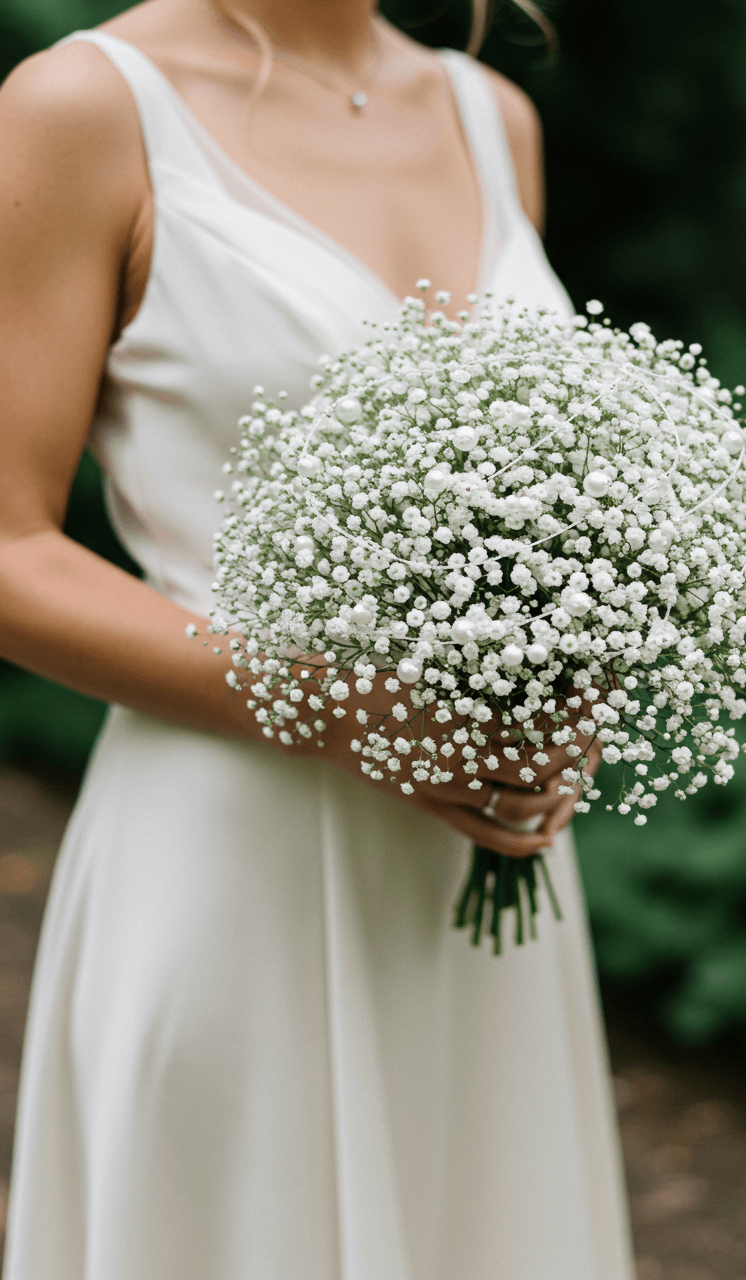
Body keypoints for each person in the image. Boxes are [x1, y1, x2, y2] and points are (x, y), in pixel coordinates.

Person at [0, 1, 635, 1276]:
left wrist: (573, 670)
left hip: (480, 872)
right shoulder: (83, 109)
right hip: (232, 853)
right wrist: (343, 706)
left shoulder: (487, 113)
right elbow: (8, 547)